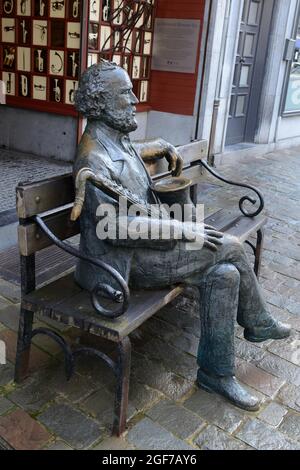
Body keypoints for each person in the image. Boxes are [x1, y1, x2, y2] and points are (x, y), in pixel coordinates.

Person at [71, 60, 290, 411]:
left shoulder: (113, 139)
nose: (132, 100)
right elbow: (116, 228)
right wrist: (184, 228)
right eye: (124, 94)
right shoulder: (93, 159)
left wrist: (155, 144)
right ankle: (257, 323)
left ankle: (217, 375)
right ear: (101, 103)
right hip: (122, 267)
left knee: (225, 274)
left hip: (147, 245)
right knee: (228, 246)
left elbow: (129, 154)